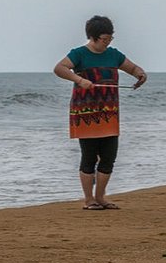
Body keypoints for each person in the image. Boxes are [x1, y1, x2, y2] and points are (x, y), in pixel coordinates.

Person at [54, 15, 148, 211]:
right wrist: (79, 80)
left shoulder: (114, 54)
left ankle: (101, 197)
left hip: (109, 113)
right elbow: (59, 68)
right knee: (88, 157)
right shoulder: (79, 54)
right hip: (86, 114)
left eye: (110, 38)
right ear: (93, 37)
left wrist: (140, 74)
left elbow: (132, 67)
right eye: (105, 38)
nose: (108, 42)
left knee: (109, 157)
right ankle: (89, 200)